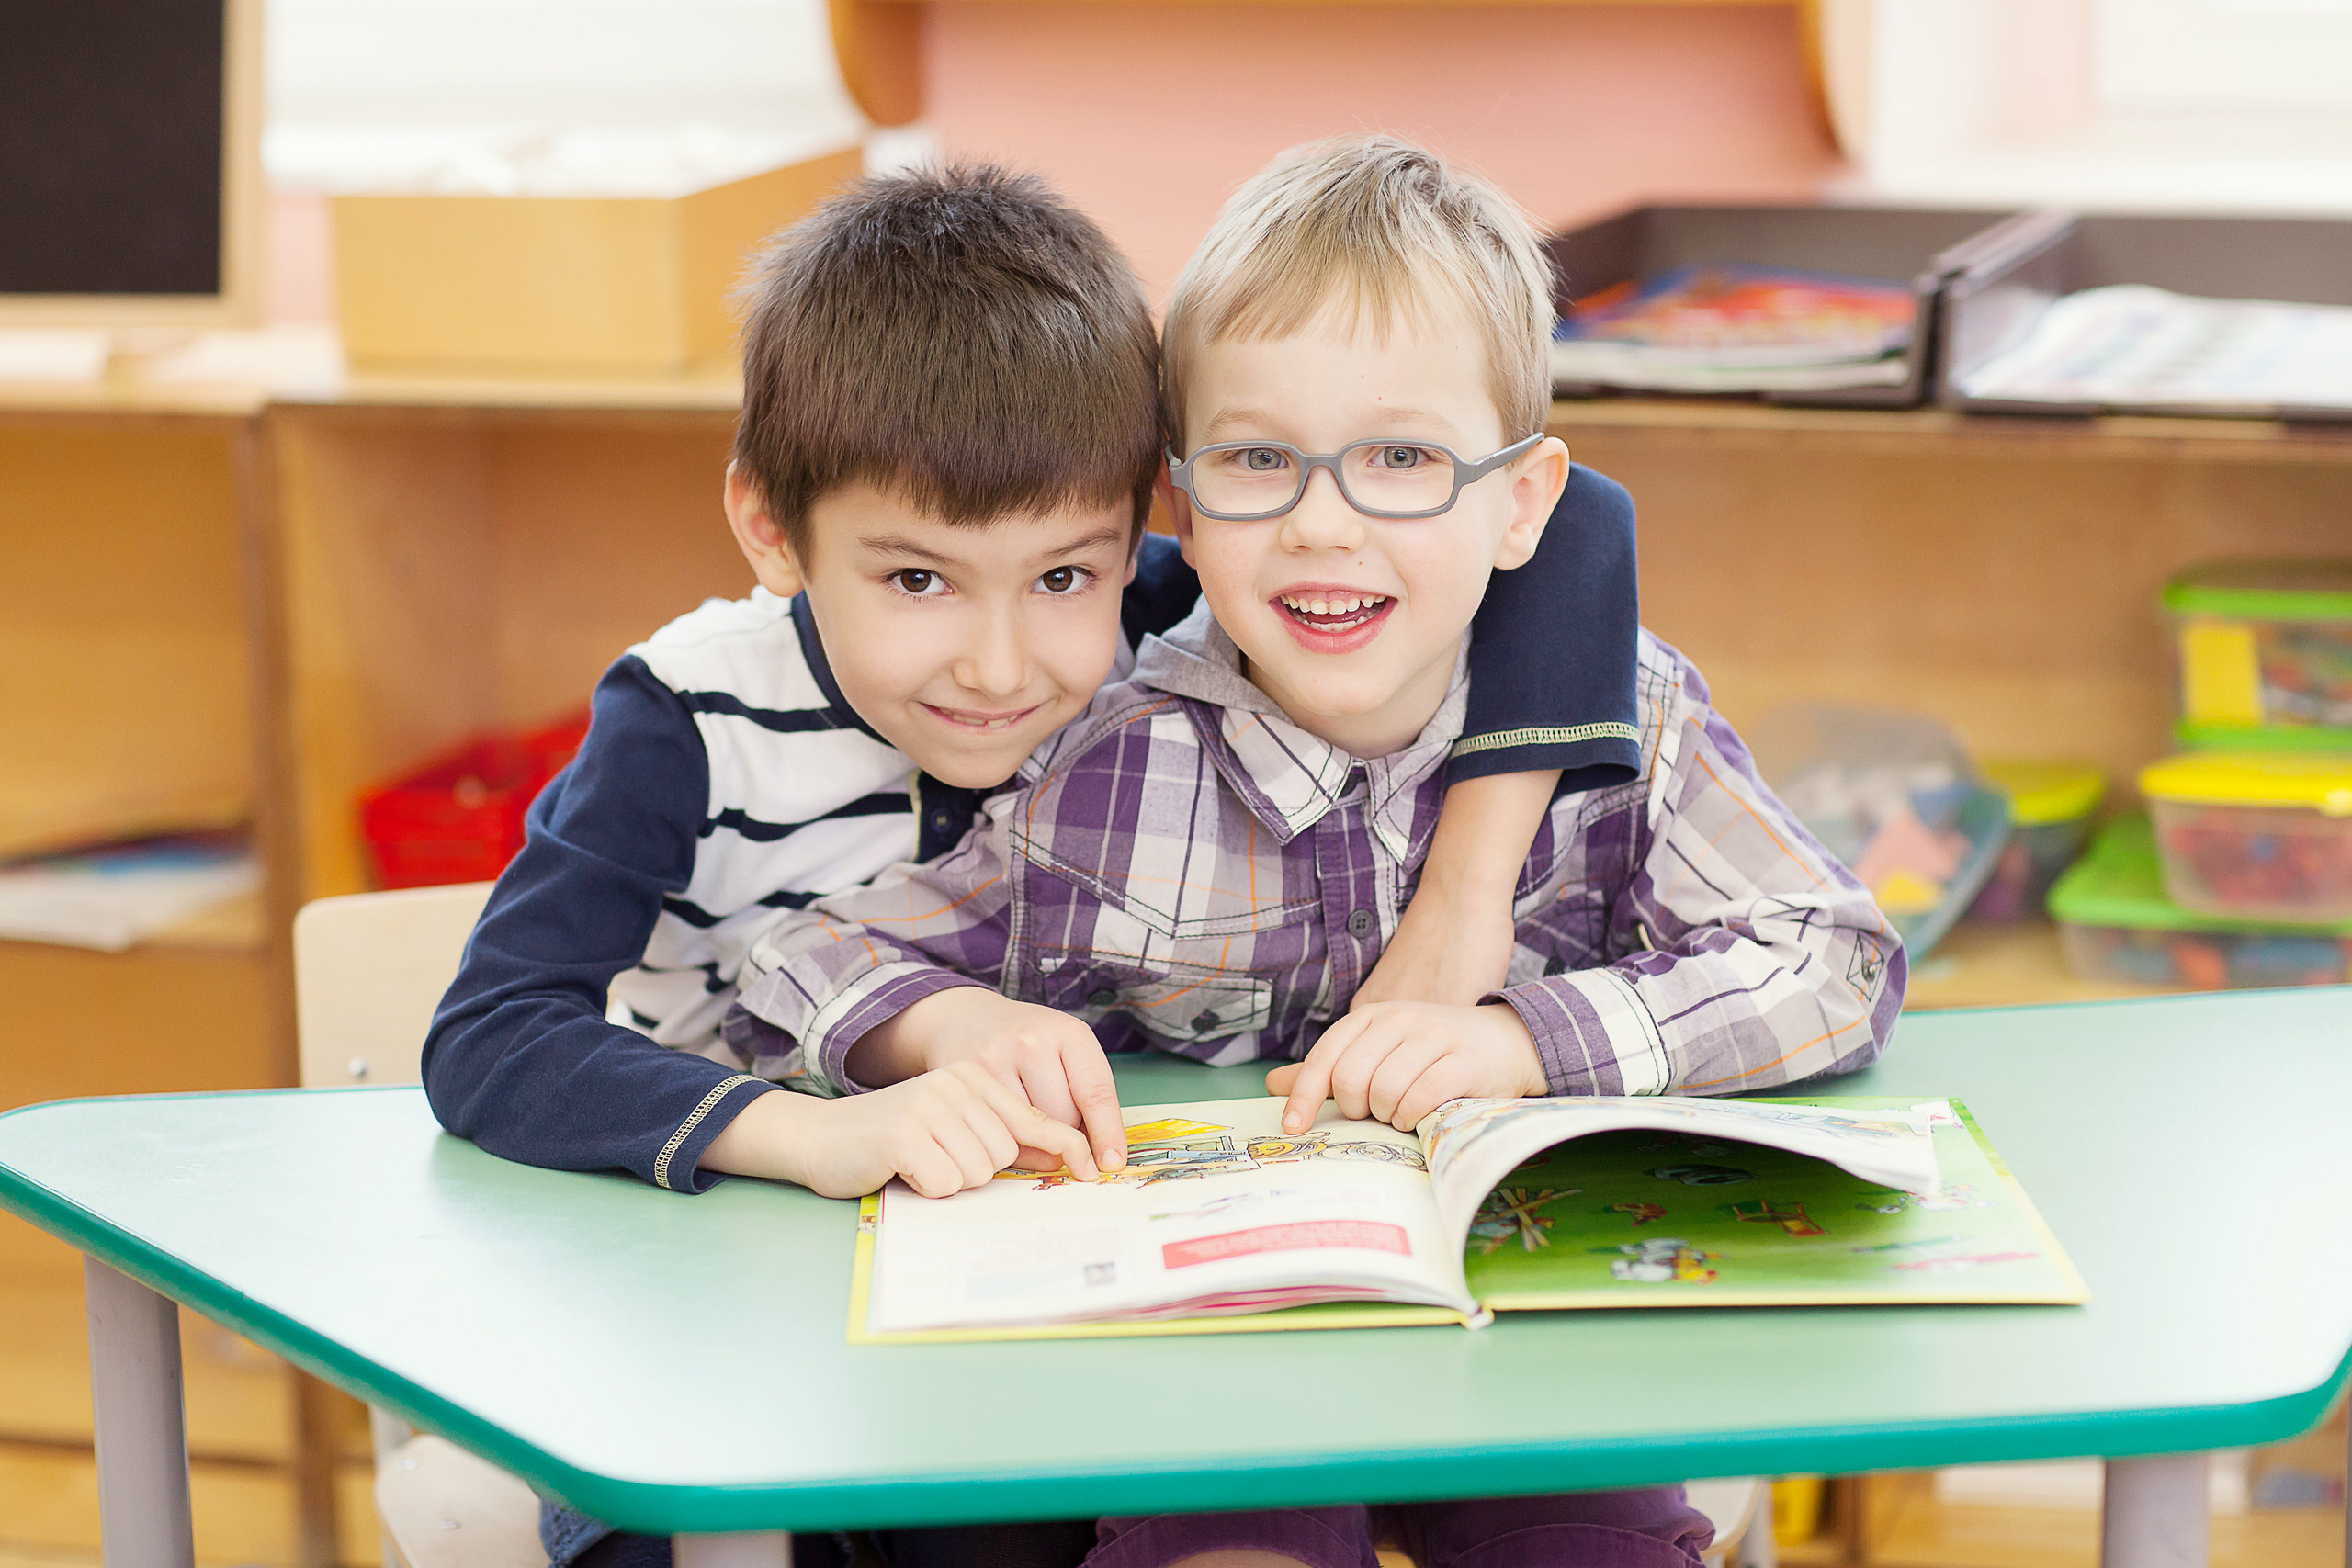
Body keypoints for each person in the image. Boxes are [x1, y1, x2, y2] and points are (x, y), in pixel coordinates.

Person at [421, 164, 1644, 1568]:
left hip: (1008, 1293)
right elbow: (491, 1036)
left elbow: (1573, 523)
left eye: (1063, 575)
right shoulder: (689, 717)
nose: (1000, 667)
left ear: (1148, 529)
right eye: (916, 579)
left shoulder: (1146, 624)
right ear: (771, 527)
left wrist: (1470, 884)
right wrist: (813, 1137)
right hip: (706, 1272)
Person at [729, 135, 1906, 1568]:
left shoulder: (1635, 726)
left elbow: (1839, 960)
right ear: (1180, 503)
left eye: (1403, 458)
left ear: (1524, 503)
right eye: (1257, 460)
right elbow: (796, 963)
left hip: (1535, 1357)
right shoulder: (1116, 762)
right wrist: (946, 1027)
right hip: (1221, 1381)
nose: (1322, 523)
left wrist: (1524, 1044)